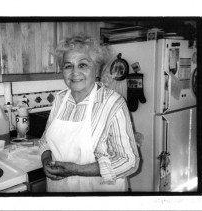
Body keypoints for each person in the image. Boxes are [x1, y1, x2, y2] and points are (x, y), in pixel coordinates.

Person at [39, 34, 140, 192]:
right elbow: (46, 141)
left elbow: (129, 162)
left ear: (96, 68)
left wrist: (76, 170)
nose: (74, 72)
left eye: (83, 65)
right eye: (68, 66)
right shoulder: (59, 99)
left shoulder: (113, 103)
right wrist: (46, 160)